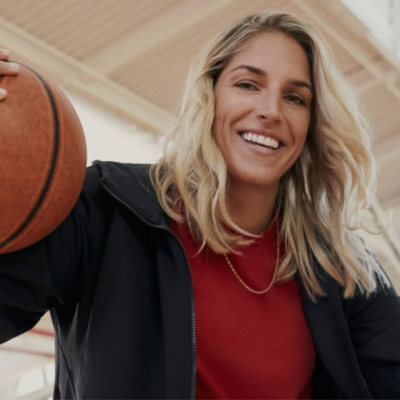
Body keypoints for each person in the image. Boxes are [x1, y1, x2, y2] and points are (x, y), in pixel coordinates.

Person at [0, 10, 399, 400]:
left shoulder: (338, 268)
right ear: (208, 94)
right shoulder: (107, 207)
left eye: (295, 98)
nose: (271, 111)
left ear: (312, 125)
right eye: (247, 85)